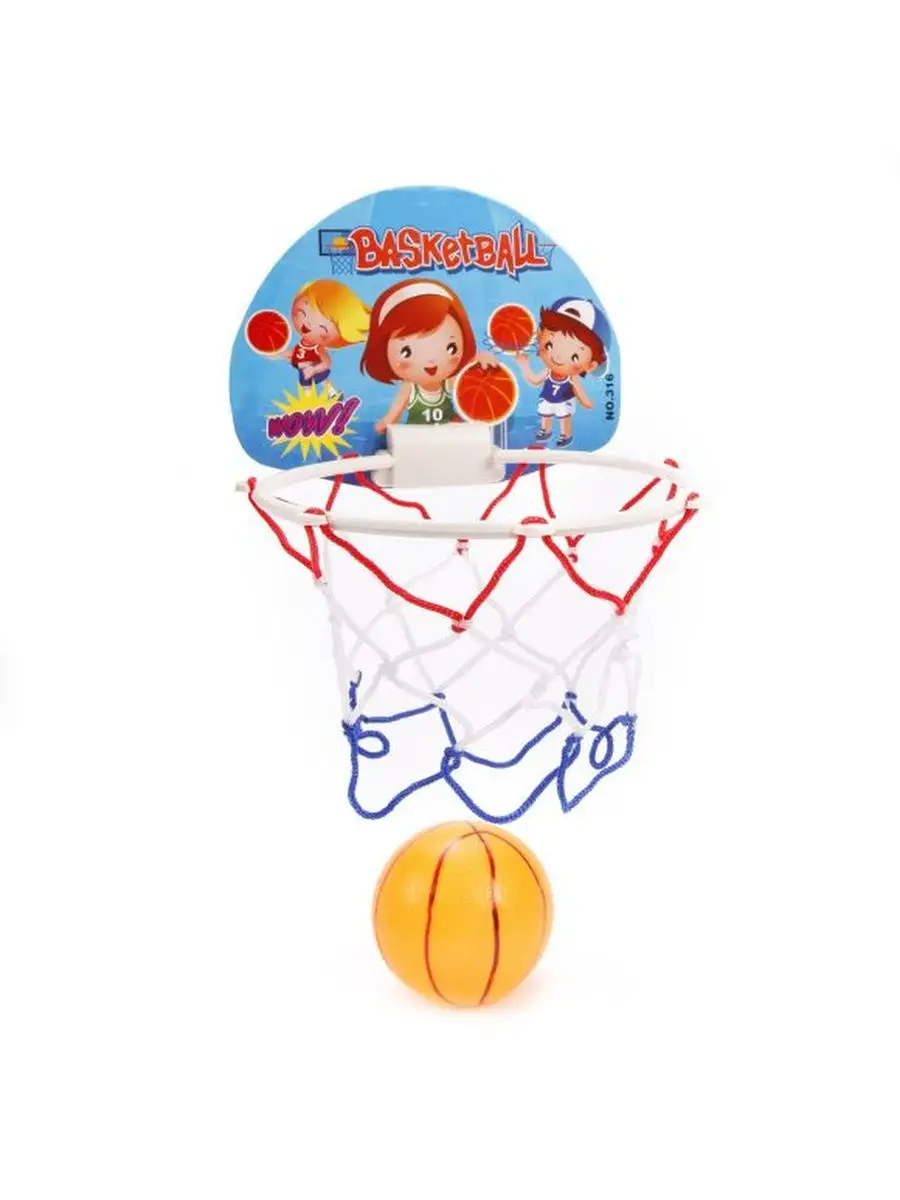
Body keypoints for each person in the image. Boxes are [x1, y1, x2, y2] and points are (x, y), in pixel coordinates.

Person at [361, 279, 497, 432]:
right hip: (418, 437)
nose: (431, 361)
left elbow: (469, 381)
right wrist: (387, 422)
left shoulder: (449, 382)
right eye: (406, 352)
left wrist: (480, 360)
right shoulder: (410, 387)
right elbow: (395, 411)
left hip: (448, 436)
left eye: (450, 348)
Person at [511, 297, 606, 447]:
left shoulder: (572, 378)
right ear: (540, 336)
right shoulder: (548, 371)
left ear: (591, 365)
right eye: (549, 345)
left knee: (564, 414)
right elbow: (534, 380)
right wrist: (524, 365)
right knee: (545, 411)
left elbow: (579, 393)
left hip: (563, 400)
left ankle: (566, 434)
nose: (558, 357)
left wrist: (587, 402)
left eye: (574, 356)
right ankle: (545, 430)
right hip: (548, 398)